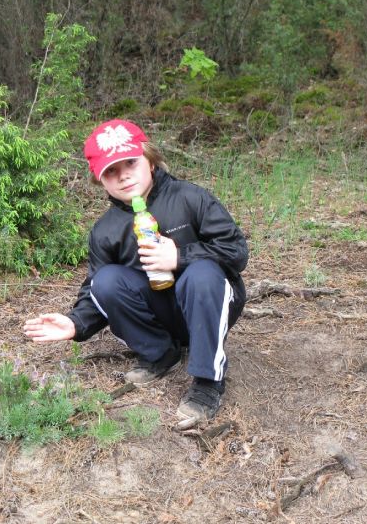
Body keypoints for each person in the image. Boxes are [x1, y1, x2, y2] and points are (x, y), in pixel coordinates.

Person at [23, 119, 248, 424]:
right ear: (100, 180)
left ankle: (209, 381)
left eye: (130, 162)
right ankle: (160, 353)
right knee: (106, 280)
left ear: (150, 161)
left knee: (202, 274)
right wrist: (76, 323)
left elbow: (235, 251)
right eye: (111, 170)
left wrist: (180, 256)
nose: (123, 175)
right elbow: (96, 288)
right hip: (161, 313)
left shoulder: (190, 198)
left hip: (209, 304)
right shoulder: (105, 230)